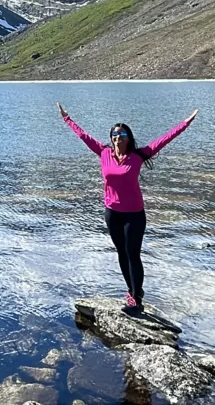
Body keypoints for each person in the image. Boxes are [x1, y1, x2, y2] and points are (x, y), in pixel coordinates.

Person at [57, 102, 198, 312]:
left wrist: (185, 124)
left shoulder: (138, 156)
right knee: (121, 253)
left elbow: (163, 140)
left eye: (122, 134)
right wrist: (67, 119)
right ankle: (131, 291)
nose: (117, 137)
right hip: (112, 213)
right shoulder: (103, 153)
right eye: (114, 134)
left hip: (134, 214)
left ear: (128, 138)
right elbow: (83, 136)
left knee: (133, 253)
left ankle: (136, 296)